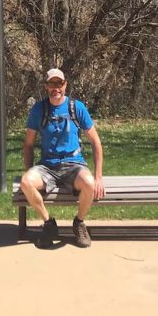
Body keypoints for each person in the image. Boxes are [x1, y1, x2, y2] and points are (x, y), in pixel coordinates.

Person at [20, 67, 104, 248]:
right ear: (46, 86)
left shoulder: (77, 108)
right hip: (47, 166)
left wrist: (98, 177)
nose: (55, 88)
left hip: (73, 164)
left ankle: (79, 223)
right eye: (52, 84)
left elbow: (96, 142)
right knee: (26, 182)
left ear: (65, 85)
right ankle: (48, 224)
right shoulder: (39, 110)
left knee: (89, 183)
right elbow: (28, 144)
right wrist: (29, 170)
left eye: (59, 83)